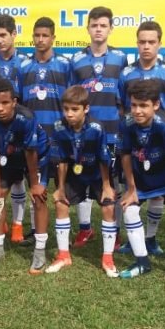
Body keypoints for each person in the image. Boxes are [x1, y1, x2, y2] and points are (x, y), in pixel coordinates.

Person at [118, 80, 165, 284]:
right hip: (142, 181)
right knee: (130, 209)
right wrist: (131, 188)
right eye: (134, 105)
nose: (137, 111)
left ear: (156, 105)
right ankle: (142, 261)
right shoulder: (126, 124)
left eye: (143, 105)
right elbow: (125, 155)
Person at [0, 78, 50, 271]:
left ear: (14, 102)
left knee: (39, 198)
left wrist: (35, 184)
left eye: (5, 103)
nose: (0, 108)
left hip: (36, 157)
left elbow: (31, 152)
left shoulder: (26, 117)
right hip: (8, 158)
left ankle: (40, 252)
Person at [70, 6, 127, 248]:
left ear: (111, 28)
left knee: (111, 181)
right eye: (94, 25)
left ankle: (114, 231)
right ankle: (85, 229)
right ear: (88, 28)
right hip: (84, 134)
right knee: (82, 177)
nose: (98, 30)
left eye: (103, 25)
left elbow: (125, 97)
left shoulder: (121, 58)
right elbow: (72, 97)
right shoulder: (77, 59)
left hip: (112, 132)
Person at [50, 86, 118, 277]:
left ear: (85, 109)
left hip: (97, 173)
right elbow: (61, 160)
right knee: (61, 203)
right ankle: (64, 255)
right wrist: (61, 188)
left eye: (74, 109)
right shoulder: (59, 127)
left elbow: (104, 159)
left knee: (108, 206)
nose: (69, 114)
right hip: (75, 172)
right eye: (66, 109)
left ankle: (107, 257)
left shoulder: (96, 128)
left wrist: (106, 187)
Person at [17, 16, 72, 245]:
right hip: (34, 139)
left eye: (45, 36)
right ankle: (34, 229)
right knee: (36, 186)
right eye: (37, 36)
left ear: (53, 38)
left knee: (62, 188)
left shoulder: (65, 65)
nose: (40, 40)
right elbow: (19, 100)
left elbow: (72, 100)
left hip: (59, 136)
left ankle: (64, 235)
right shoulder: (24, 66)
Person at [0, 14, 31, 243]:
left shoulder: (25, 63)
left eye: (3, 35)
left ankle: (18, 225)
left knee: (19, 180)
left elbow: (26, 100)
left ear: (14, 35)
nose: (0, 40)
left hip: (19, 131)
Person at [121, 20, 165, 121]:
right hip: (132, 133)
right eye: (142, 42)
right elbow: (121, 107)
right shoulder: (125, 74)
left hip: (161, 134)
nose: (146, 47)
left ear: (159, 44)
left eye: (151, 42)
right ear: (137, 44)